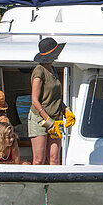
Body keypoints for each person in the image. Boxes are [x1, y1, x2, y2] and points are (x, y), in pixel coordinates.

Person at [29, 37, 67, 165]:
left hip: (56, 117)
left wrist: (66, 109)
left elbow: (55, 96)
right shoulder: (39, 70)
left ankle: (53, 185)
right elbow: (35, 100)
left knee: (55, 158)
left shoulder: (53, 69)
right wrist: (48, 121)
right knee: (39, 159)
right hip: (40, 118)